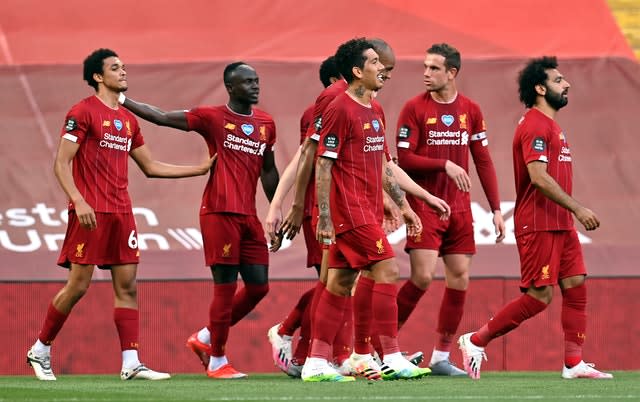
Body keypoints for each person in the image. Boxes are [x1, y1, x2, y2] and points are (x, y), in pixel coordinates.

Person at [26, 48, 213, 381]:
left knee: (127, 288)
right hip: (90, 212)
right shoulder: (82, 112)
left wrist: (198, 170)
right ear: (98, 77)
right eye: (115, 68)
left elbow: (151, 167)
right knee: (78, 286)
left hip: (122, 213)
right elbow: (61, 163)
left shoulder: (128, 120)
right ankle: (40, 349)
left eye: (124, 67)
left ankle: (131, 363)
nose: (123, 72)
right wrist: (78, 201)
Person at [120, 62, 279, 379]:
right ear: (231, 87)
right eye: (247, 82)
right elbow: (162, 117)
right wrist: (123, 100)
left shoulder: (266, 123)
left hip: (249, 216)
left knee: (259, 287)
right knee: (225, 288)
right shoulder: (213, 117)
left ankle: (205, 337)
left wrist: (277, 209)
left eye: (256, 81)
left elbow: (269, 169)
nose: (255, 86)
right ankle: (218, 360)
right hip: (218, 213)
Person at [458, 56, 613, 380]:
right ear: (540, 88)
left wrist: (569, 214)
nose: (566, 84)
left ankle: (573, 363)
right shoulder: (534, 125)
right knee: (539, 297)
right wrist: (578, 208)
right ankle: (475, 340)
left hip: (559, 223)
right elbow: (539, 177)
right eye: (558, 80)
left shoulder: (552, 126)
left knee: (575, 285)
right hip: (538, 222)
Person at [302, 38, 447, 382]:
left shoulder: (376, 110)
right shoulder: (339, 108)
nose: (382, 68)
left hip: (367, 207)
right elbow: (323, 165)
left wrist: (405, 205)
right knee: (387, 271)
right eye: (374, 63)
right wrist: (324, 215)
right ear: (357, 71)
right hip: (349, 211)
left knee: (339, 283)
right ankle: (392, 356)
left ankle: (316, 362)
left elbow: (383, 166)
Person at [393, 43, 505, 376]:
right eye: (425, 67)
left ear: (452, 73)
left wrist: (496, 209)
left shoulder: (471, 109)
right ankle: (382, 349)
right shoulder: (413, 108)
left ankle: (441, 356)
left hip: (459, 208)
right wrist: (444, 164)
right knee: (422, 277)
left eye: (434, 68)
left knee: (459, 278)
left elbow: (483, 160)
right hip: (426, 204)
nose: (426, 73)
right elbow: (405, 160)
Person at [264, 56, 343, 377]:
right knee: (332, 284)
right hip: (320, 210)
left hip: (346, 209)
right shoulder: (319, 112)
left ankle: (304, 351)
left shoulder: (361, 108)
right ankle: (301, 345)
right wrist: (295, 207)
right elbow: (306, 159)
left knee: (338, 284)